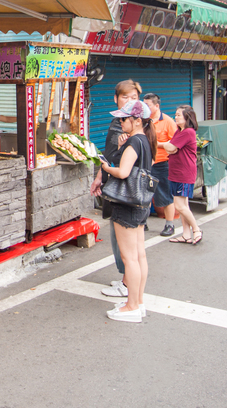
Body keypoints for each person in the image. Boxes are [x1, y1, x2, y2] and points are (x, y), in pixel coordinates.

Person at [91, 99, 157, 323]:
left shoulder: (133, 143)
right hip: (140, 203)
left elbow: (123, 172)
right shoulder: (144, 141)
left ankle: (131, 307)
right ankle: (137, 303)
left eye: (124, 119)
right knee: (139, 256)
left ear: (137, 121)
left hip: (126, 204)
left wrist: (106, 166)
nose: (120, 122)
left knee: (130, 259)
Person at [94, 79, 142, 300]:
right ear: (116, 98)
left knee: (125, 243)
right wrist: (99, 176)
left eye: (134, 98)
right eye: (126, 97)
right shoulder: (119, 123)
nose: (130, 101)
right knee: (128, 244)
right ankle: (127, 282)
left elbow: (121, 168)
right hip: (122, 189)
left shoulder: (134, 130)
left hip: (126, 192)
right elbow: (110, 155)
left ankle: (127, 285)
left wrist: (106, 173)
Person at [161, 105, 202, 245]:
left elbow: (172, 148)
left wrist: (166, 145)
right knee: (184, 205)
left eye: (178, 115)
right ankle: (186, 234)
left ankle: (196, 229)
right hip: (176, 172)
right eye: (176, 114)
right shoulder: (179, 131)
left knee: (179, 206)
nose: (175, 117)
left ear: (187, 117)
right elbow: (171, 148)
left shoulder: (188, 132)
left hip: (184, 173)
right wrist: (166, 145)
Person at [144, 93, 178, 237]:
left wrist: (156, 145)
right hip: (145, 163)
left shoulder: (168, 122)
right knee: (144, 194)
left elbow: (175, 144)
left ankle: (170, 225)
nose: (145, 107)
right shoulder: (144, 120)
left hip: (162, 164)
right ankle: (142, 222)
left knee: (165, 195)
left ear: (157, 106)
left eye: (148, 105)